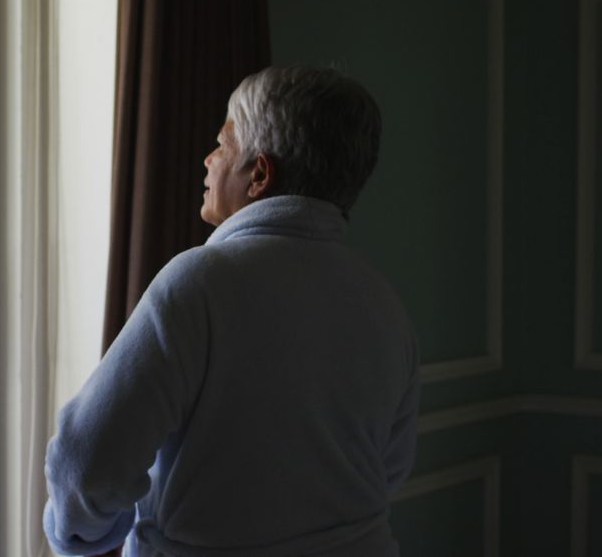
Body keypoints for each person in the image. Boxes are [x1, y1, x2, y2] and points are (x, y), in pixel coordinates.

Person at [44, 66, 420, 556]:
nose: (207, 160)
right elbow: (388, 467)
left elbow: (87, 460)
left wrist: (80, 534)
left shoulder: (199, 282)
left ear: (259, 173)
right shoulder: (382, 300)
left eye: (222, 144)